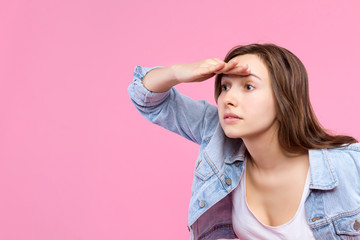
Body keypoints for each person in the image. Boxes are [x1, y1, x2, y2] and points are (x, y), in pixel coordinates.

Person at [128, 43, 360, 240]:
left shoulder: (349, 165)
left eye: (248, 86)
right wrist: (179, 72)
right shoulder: (216, 133)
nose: (228, 98)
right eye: (225, 87)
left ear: (284, 99)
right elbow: (147, 99)